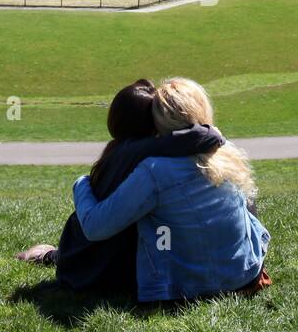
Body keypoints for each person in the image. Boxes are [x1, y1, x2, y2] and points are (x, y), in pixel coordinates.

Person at [71, 77, 271, 302]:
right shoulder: (226, 152)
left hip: (188, 288)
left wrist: (81, 183)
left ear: (157, 122)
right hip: (245, 273)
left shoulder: (154, 170)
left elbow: (95, 226)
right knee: (245, 199)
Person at [16, 80, 225, 294]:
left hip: (84, 256)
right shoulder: (143, 151)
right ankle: (51, 255)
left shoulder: (122, 152)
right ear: (152, 123)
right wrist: (81, 184)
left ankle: (51, 254)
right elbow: (195, 138)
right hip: (89, 261)